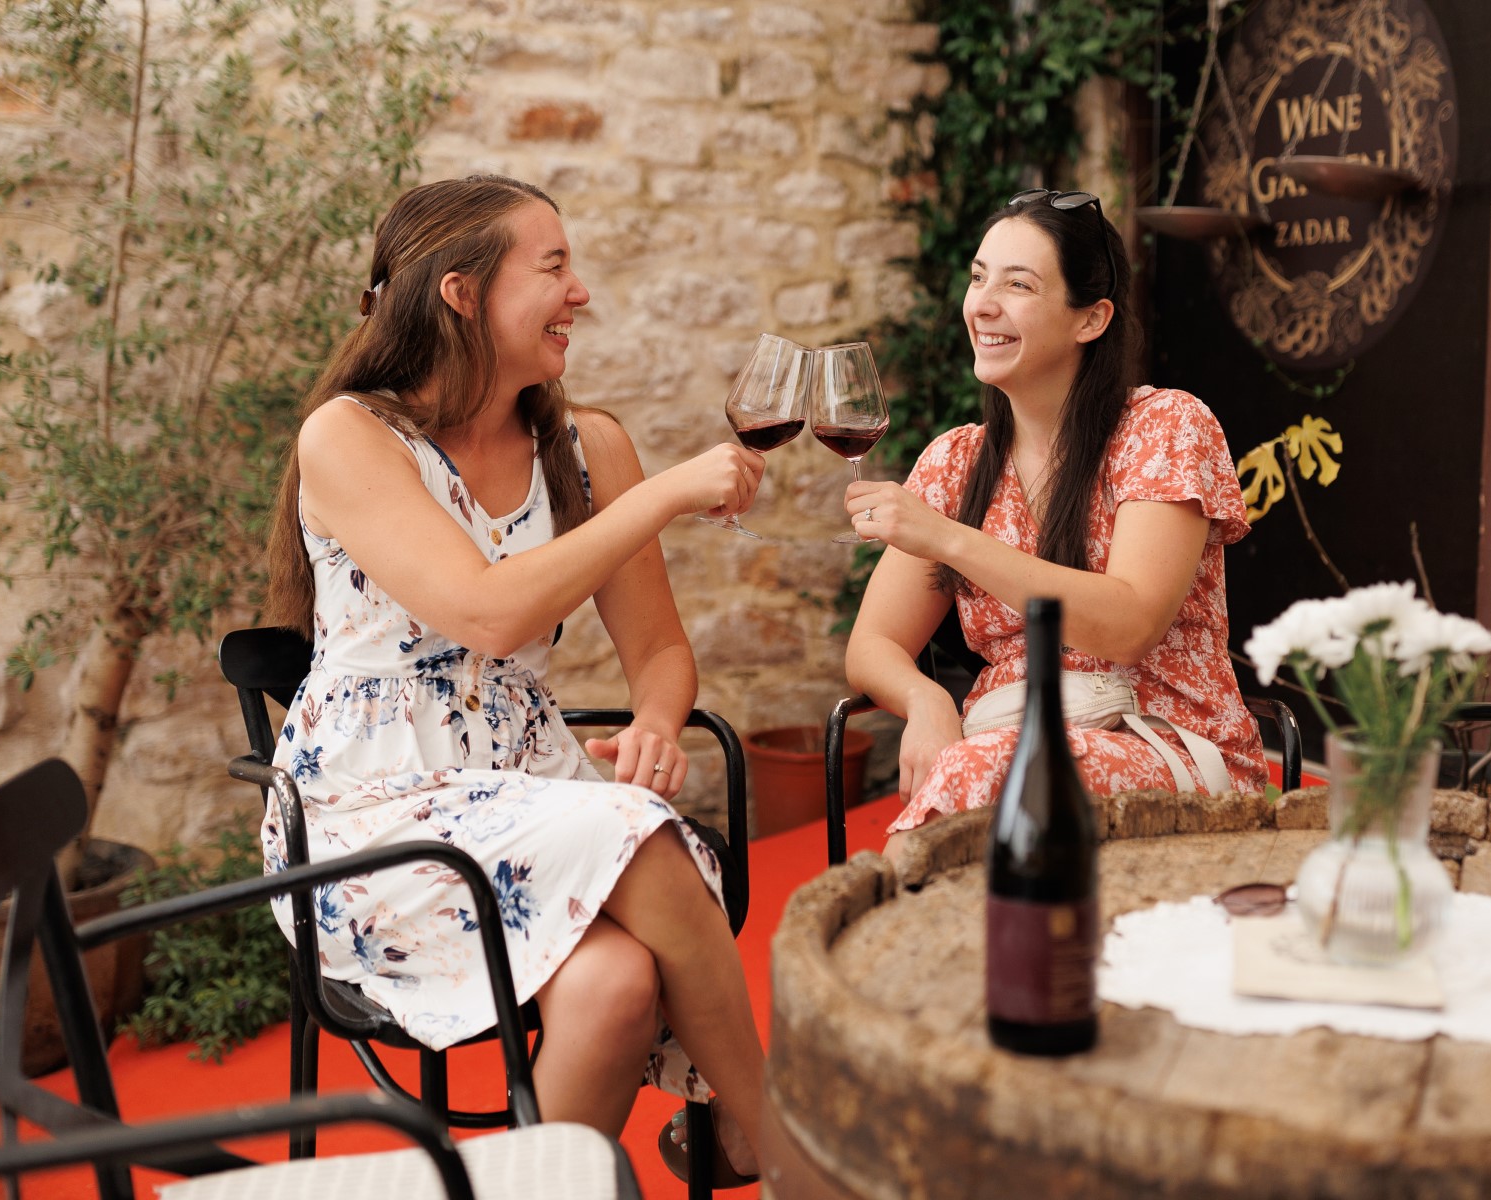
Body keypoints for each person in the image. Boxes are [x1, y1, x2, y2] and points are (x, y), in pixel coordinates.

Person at [260, 175, 761, 1185]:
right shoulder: (348, 437)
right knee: (639, 832)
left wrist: (658, 722)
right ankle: (780, 1140)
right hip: (375, 819)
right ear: (461, 293)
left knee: (617, 985)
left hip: (529, 792)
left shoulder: (587, 448)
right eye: (553, 267)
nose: (580, 292)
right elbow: (487, 611)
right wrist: (664, 496)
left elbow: (661, 652)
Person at [842, 189, 1268, 859]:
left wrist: (949, 538)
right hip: (1002, 740)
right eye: (979, 277)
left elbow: (1129, 625)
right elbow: (872, 645)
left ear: (1091, 319)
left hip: (1165, 742)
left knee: (987, 778)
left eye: (1018, 285)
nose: (983, 305)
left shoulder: (1163, 427)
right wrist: (927, 702)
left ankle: (894, 911)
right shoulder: (956, 462)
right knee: (990, 774)